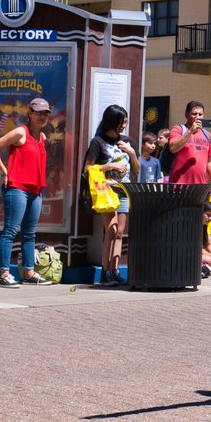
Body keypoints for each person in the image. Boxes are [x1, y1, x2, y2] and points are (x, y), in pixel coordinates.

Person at [0, 98, 53, 287]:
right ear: (30, 113)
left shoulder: (42, 137)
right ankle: (4, 274)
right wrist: (5, 172)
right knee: (11, 230)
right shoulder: (20, 132)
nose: (43, 117)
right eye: (39, 113)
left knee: (30, 233)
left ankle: (29, 273)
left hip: (35, 190)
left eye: (46, 113)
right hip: (17, 188)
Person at [85, 105, 140, 286]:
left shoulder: (128, 142)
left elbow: (137, 170)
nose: (124, 126)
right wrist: (109, 166)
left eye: (125, 122)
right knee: (112, 229)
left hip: (124, 190)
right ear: (112, 121)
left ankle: (114, 271)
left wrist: (132, 153)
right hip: (106, 190)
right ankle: (106, 271)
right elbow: (87, 169)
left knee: (120, 232)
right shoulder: (98, 142)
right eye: (121, 122)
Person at [167, 101, 211, 185]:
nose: (197, 117)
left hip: (200, 185)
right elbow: (173, 148)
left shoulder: (207, 135)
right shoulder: (178, 129)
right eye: (194, 114)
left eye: (200, 114)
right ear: (186, 114)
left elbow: (210, 161)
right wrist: (190, 131)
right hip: (179, 184)